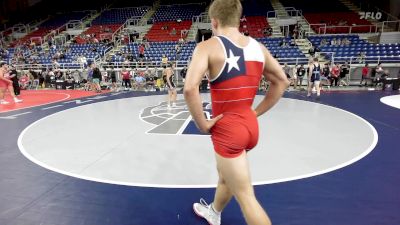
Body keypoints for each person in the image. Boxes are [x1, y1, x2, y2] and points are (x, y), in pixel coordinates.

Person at [184, 0, 289, 224]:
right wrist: (256, 112)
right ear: (238, 19)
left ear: (214, 21)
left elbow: (190, 88)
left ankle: (215, 212)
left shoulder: (207, 47)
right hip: (250, 127)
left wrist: (202, 124)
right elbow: (281, 81)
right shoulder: (258, 47)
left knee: (247, 197)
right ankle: (214, 212)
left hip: (228, 130)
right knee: (226, 176)